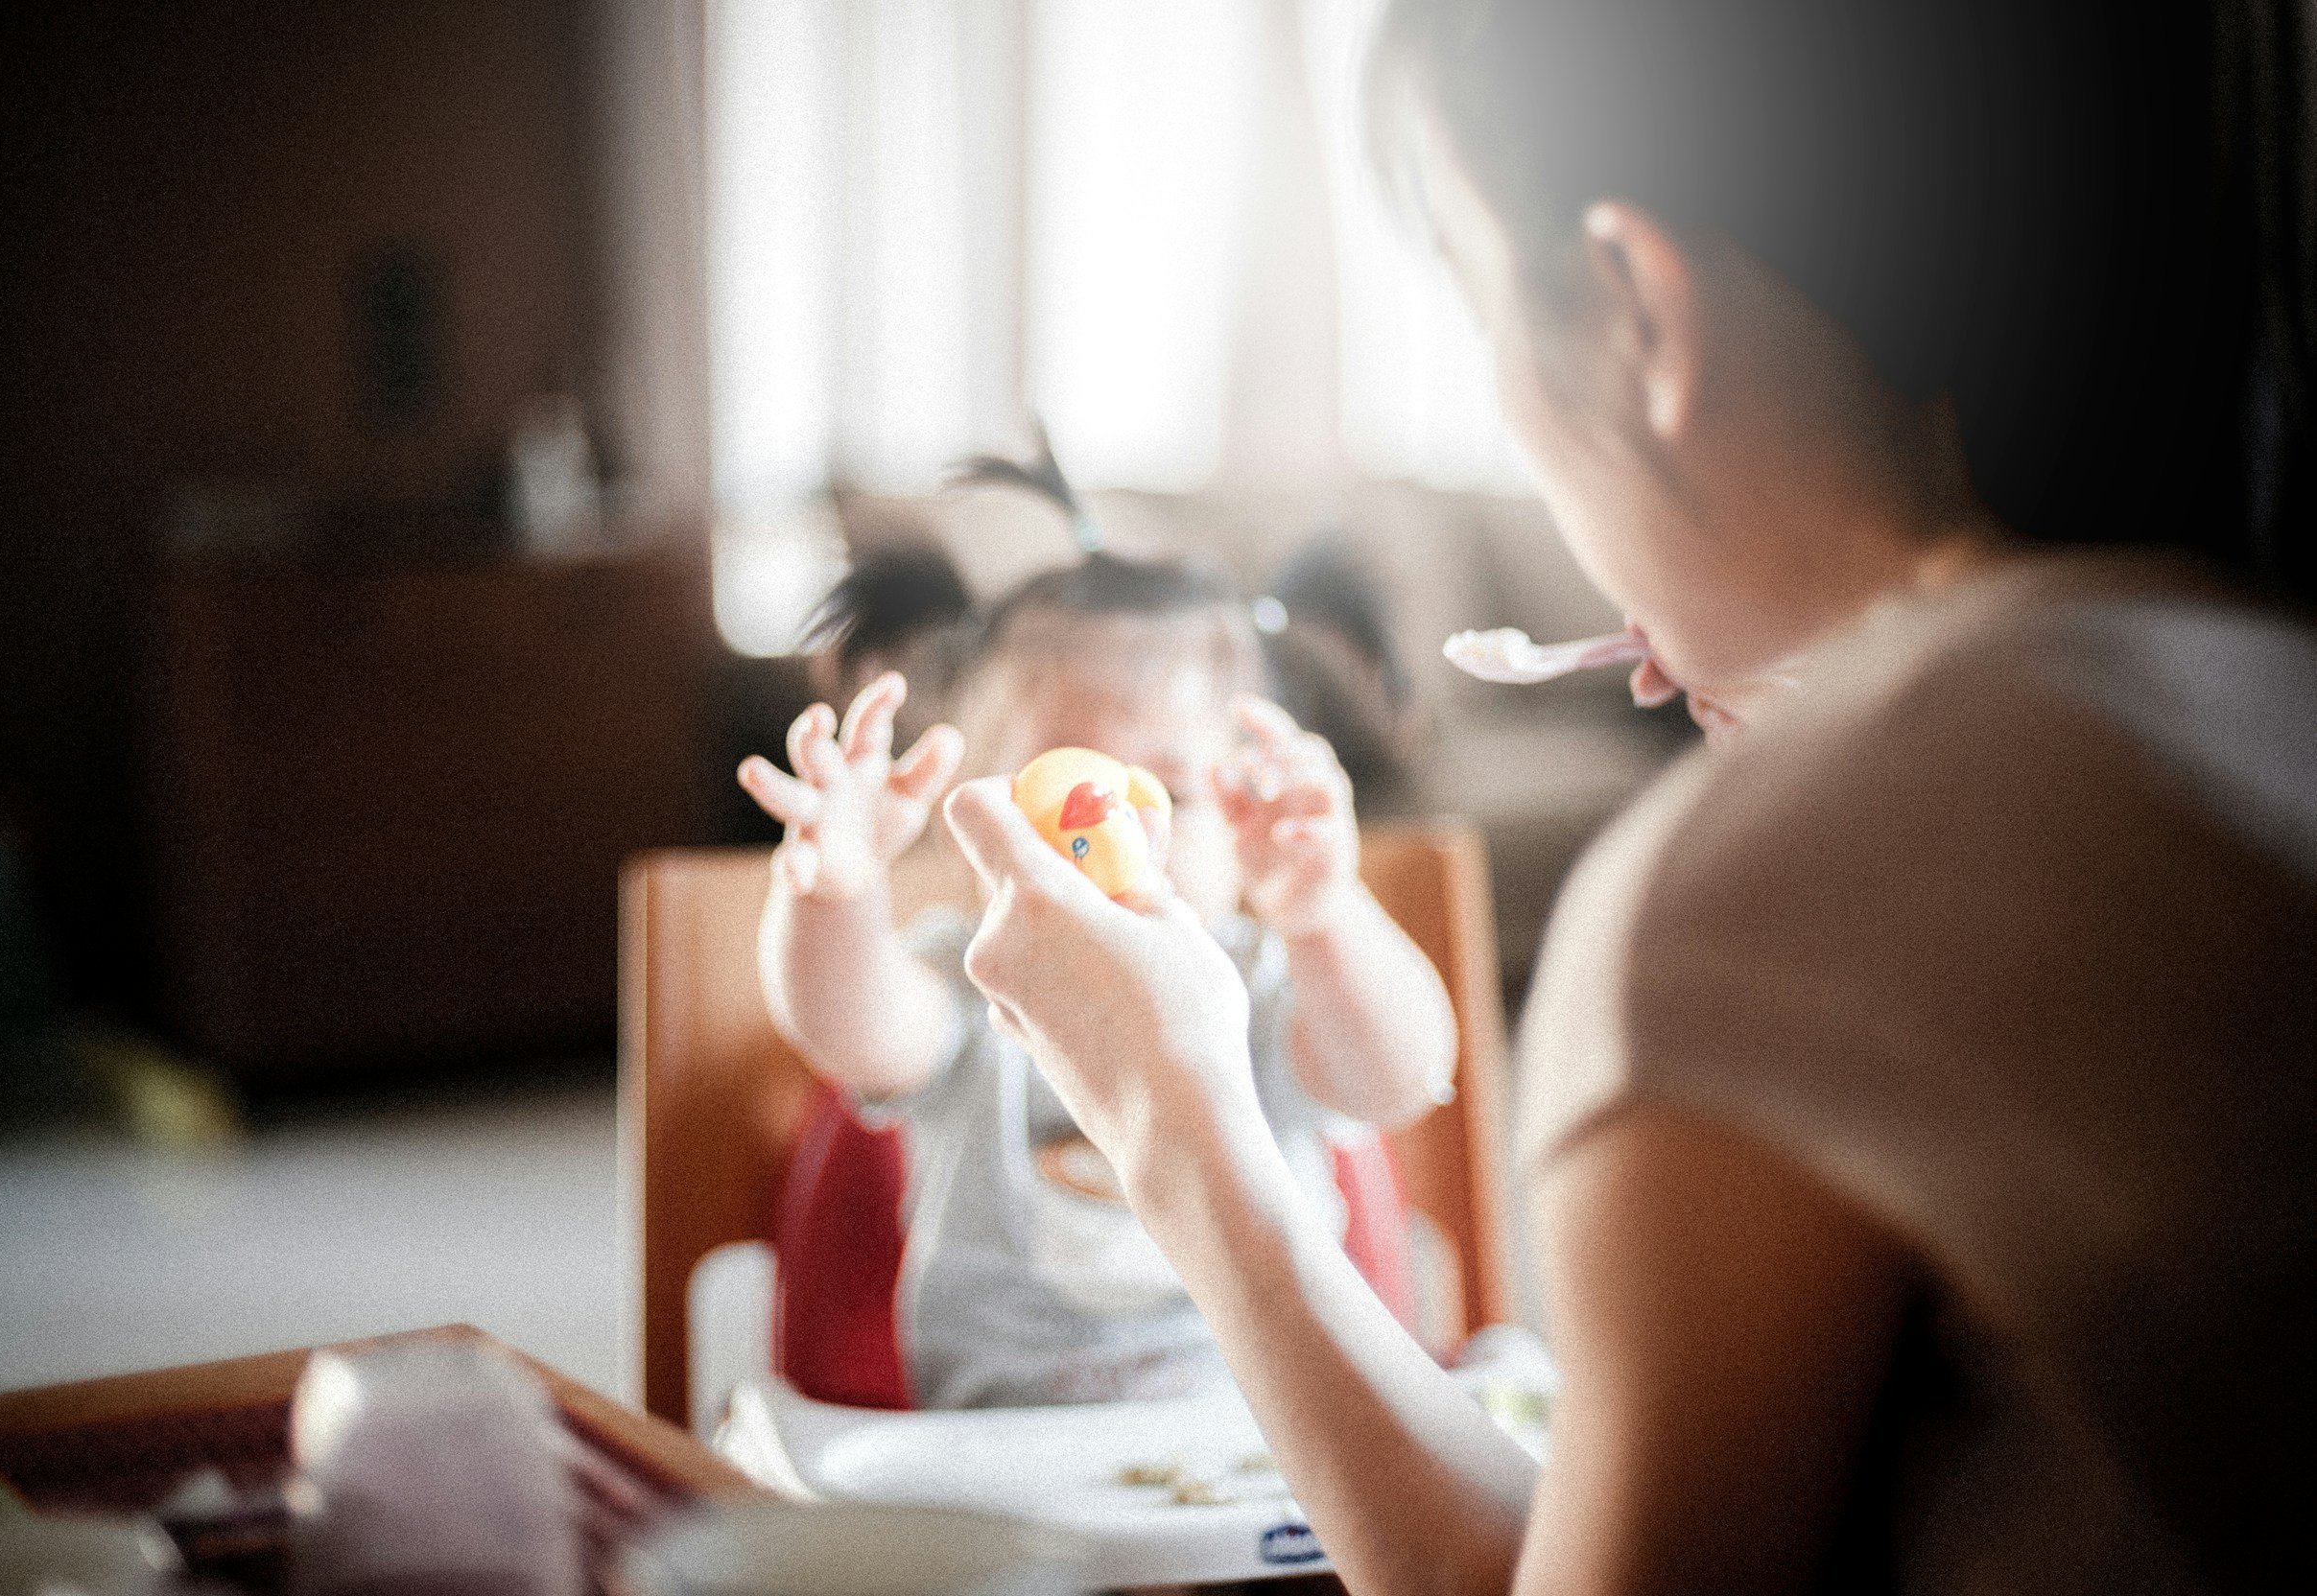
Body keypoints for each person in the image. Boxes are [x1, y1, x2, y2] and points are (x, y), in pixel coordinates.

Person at [933, 0, 2317, 1590]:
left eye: (1471, 299)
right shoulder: (2264, 672)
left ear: (1638, 307)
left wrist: (1171, 1115)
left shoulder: (1741, 905)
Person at [735, 530, 1456, 1408]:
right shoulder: (975, 979)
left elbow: (1401, 1076)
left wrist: (1324, 912)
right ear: (971, 824)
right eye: (1061, 793)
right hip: (1008, 1456)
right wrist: (836, 893)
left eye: (1171, 795)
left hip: (1275, 1446)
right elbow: (847, 1028)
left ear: (1243, 823)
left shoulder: (1262, 988)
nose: (1113, 840)